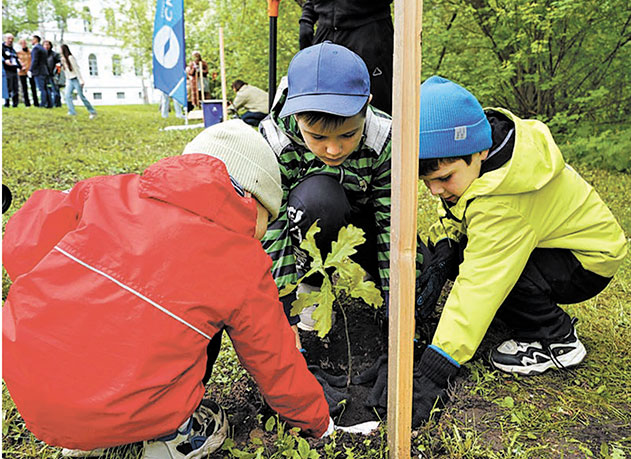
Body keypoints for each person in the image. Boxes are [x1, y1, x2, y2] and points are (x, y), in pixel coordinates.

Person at [3, 120, 336, 458]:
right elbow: (275, 363)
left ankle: (91, 437)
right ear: (251, 197)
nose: (265, 231)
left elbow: (19, 246)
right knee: (207, 394)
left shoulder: (104, 191)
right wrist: (317, 423)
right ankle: (168, 439)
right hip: (126, 411)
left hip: (30, 390)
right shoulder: (244, 262)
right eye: (269, 216)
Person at [407, 76, 628, 427]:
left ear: (479, 150)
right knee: (462, 254)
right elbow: (458, 208)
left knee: (498, 274)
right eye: (426, 181)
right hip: (550, 243)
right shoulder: (483, 162)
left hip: (586, 260)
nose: (434, 190)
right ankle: (531, 316)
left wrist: (438, 366)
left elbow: (481, 285)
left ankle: (555, 339)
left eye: (444, 178)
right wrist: (447, 242)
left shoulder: (505, 201)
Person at [259, 42, 393, 334]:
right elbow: (273, 225)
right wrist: (281, 303)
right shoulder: (274, 140)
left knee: (414, 271)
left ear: (366, 105)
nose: (333, 149)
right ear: (295, 116)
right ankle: (311, 284)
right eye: (318, 137)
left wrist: (397, 294)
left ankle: (375, 280)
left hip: (364, 224)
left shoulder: (384, 137)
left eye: (348, 134)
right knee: (319, 200)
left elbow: (391, 220)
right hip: (312, 222)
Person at [298, 0, 393, 114]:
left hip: (368, 31)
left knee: (374, 109)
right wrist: (306, 20)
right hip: (325, 31)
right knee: (320, 110)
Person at [60, 44, 97, 119]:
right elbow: (66, 72)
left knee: (81, 96)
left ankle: (92, 111)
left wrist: (81, 80)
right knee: (67, 95)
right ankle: (72, 111)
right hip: (69, 79)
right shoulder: (62, 59)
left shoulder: (70, 58)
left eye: (60, 49)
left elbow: (76, 69)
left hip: (76, 78)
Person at [29, 35, 50, 108]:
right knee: (45, 88)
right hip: (44, 70)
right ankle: (49, 103)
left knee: (41, 89)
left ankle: (43, 104)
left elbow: (34, 60)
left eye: (32, 39)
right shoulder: (43, 49)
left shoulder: (36, 49)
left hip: (39, 71)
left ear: (35, 40)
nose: (31, 41)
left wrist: (30, 70)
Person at [2, 33, 20, 107]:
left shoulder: (13, 49)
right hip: (6, 70)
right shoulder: (2, 48)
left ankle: (15, 104)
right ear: (5, 39)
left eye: (12, 39)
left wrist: (21, 66)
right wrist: (4, 61)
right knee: (8, 86)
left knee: (15, 87)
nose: (10, 40)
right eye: (9, 38)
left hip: (14, 70)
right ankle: (7, 103)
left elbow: (16, 59)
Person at [16, 38, 35, 107]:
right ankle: (27, 103)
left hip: (30, 71)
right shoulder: (18, 53)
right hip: (22, 72)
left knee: (33, 86)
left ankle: (36, 102)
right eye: (22, 43)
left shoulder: (30, 52)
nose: (23, 44)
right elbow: (17, 61)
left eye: (24, 43)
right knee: (24, 88)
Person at [43, 40, 62, 107]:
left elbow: (59, 64)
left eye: (48, 45)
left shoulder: (55, 54)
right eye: (45, 45)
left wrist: (57, 72)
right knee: (47, 90)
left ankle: (57, 104)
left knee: (55, 91)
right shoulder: (42, 55)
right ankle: (48, 104)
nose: (46, 46)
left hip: (53, 75)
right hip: (45, 74)